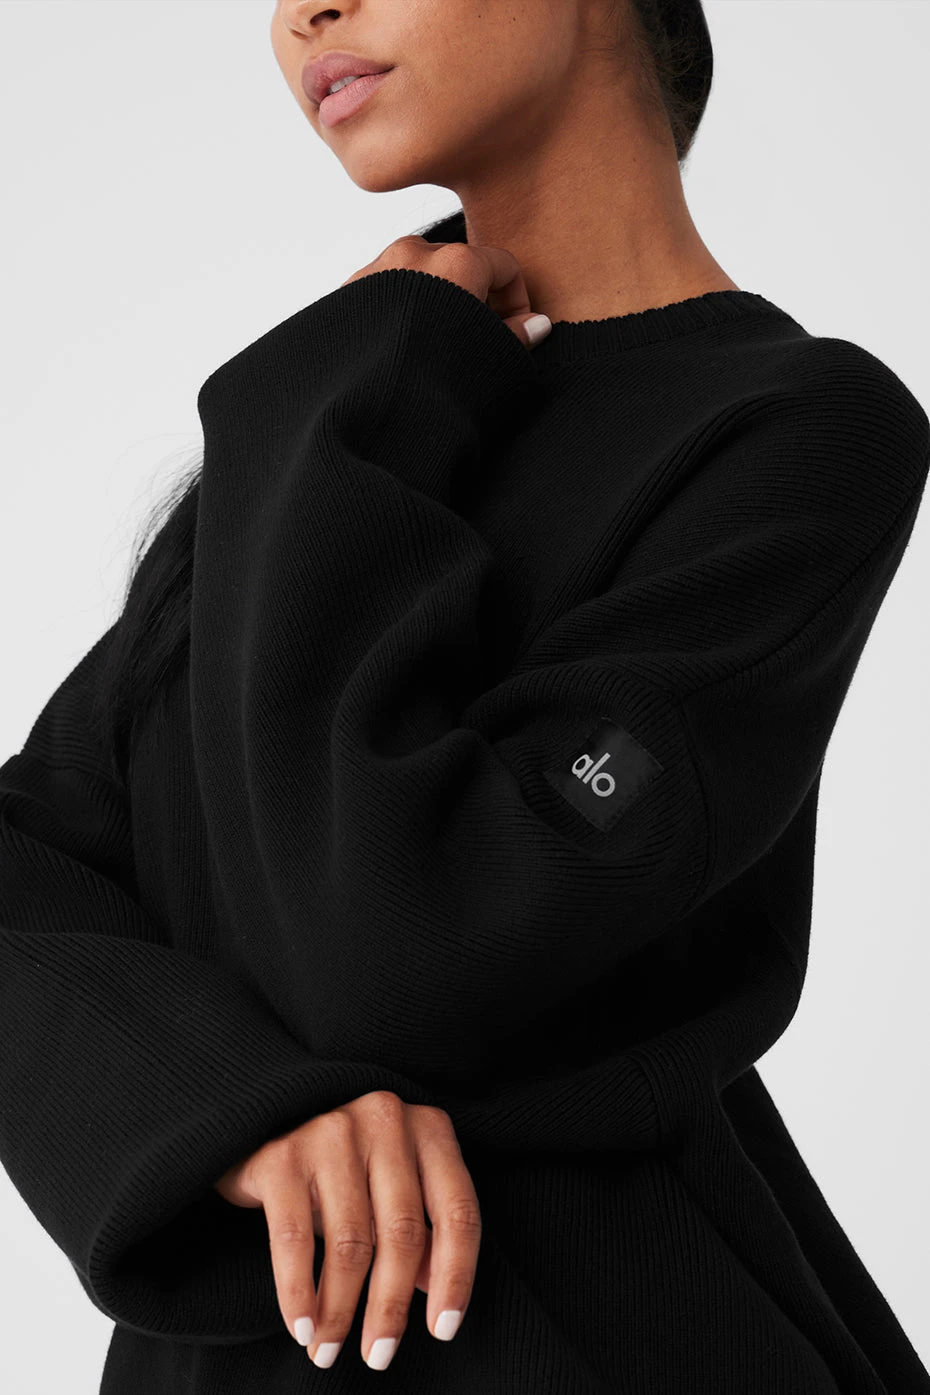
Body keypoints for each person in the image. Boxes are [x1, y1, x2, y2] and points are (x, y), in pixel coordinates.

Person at [1, 1, 928, 1392]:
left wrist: (348, 398)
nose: (305, 12)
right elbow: (25, 860)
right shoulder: (343, 420)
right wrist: (229, 1109)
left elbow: (412, 937)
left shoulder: (792, 432)